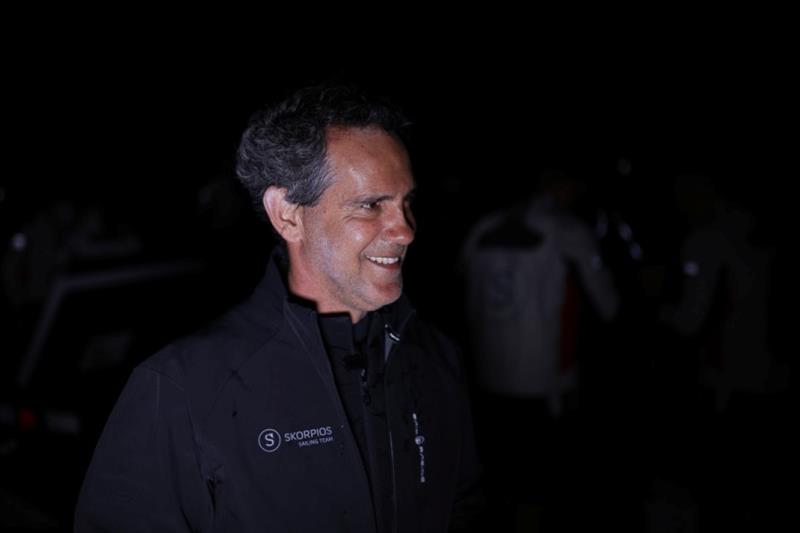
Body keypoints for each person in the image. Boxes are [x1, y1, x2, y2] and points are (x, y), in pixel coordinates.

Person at [75, 84, 483, 532]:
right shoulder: (182, 389)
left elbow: (463, 507)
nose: (405, 230)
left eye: (406, 204)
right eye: (371, 205)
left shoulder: (436, 358)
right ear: (287, 214)